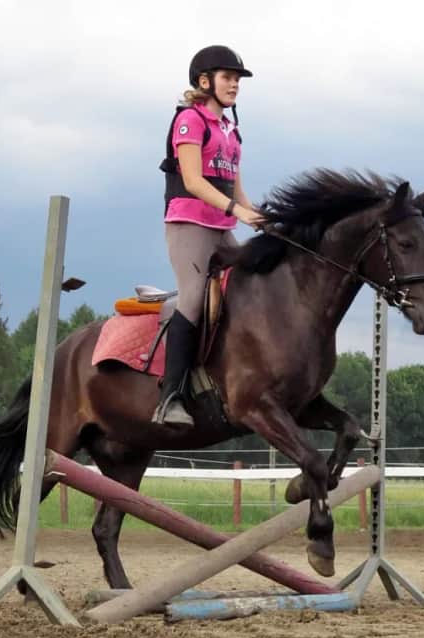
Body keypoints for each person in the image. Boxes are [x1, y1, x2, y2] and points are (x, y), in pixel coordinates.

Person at [153, 45, 265, 428]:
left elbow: (234, 186)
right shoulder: (190, 120)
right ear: (205, 82)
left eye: (237, 79)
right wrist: (237, 211)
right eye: (228, 77)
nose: (235, 84)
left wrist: (258, 216)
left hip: (222, 227)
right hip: (189, 223)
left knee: (251, 285)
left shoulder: (230, 130)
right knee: (195, 297)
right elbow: (193, 180)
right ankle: (171, 396)